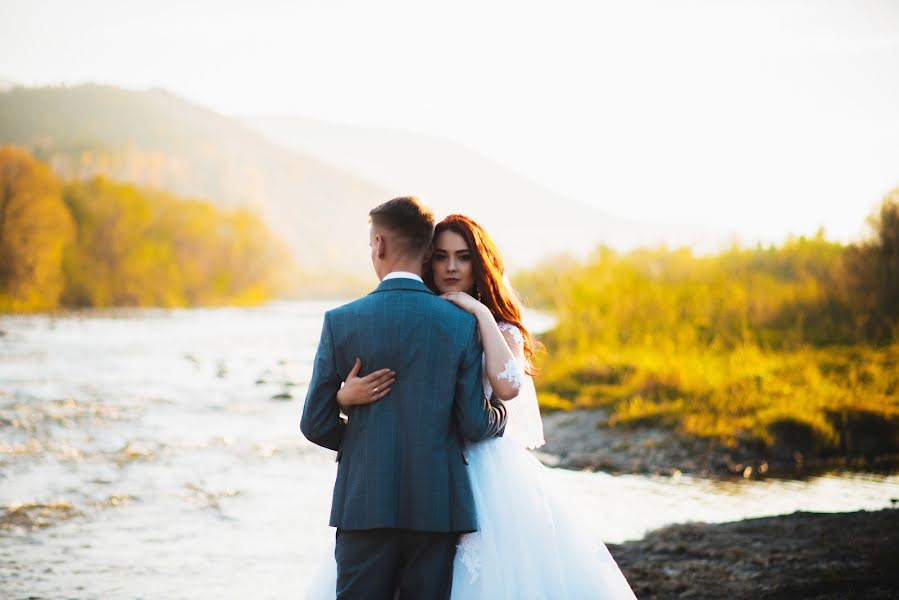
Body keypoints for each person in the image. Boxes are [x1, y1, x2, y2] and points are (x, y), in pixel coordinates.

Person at [306, 212, 638, 599]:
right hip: (433, 472)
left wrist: (480, 313)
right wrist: (343, 398)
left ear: (479, 263)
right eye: (441, 256)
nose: (450, 267)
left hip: (477, 471)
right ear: (426, 258)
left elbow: (507, 389)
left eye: (462, 257)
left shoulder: (489, 324)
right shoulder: (428, 315)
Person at [301, 197, 507, 600]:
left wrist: (359, 434)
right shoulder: (460, 322)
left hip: (363, 502)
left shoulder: (340, 320)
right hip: (436, 505)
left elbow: (314, 423)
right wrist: (500, 414)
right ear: (429, 252)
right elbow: (472, 422)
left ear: (378, 244)